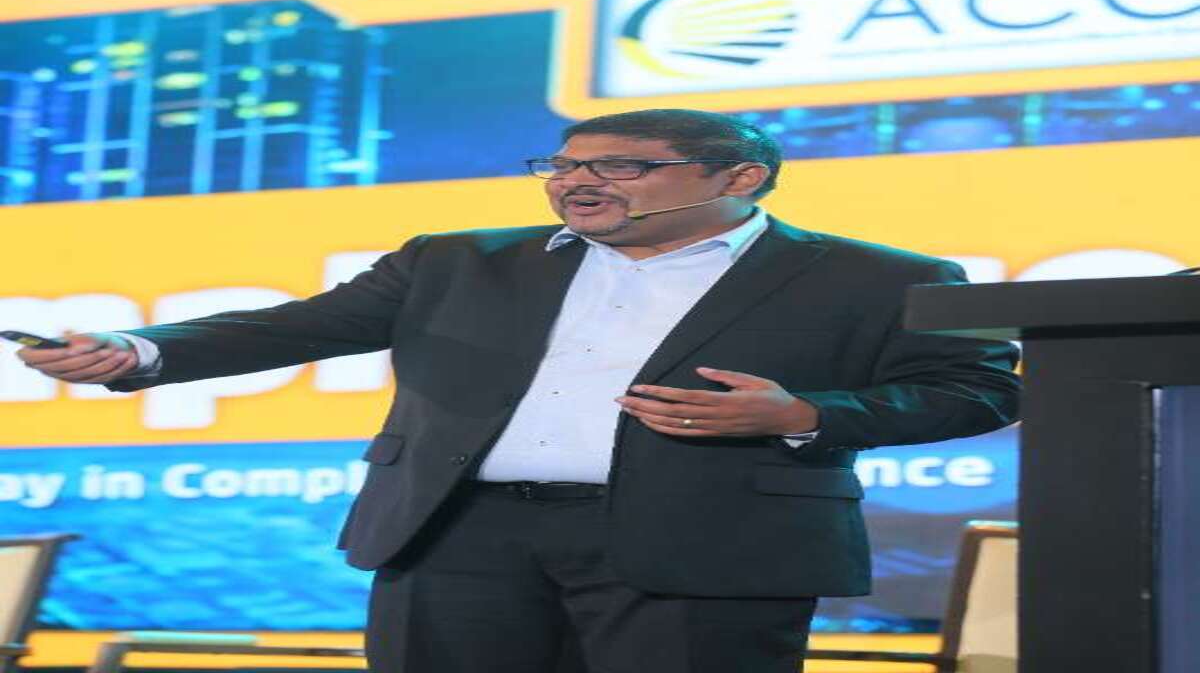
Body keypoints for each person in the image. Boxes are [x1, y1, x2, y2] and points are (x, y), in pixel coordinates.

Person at [19, 109, 1020, 673]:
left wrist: (805, 415)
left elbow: (976, 390)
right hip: (461, 536)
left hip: (709, 541)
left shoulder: (874, 276)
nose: (577, 184)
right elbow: (297, 327)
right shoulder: (458, 259)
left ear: (741, 178)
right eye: (563, 165)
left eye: (622, 167)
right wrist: (137, 350)